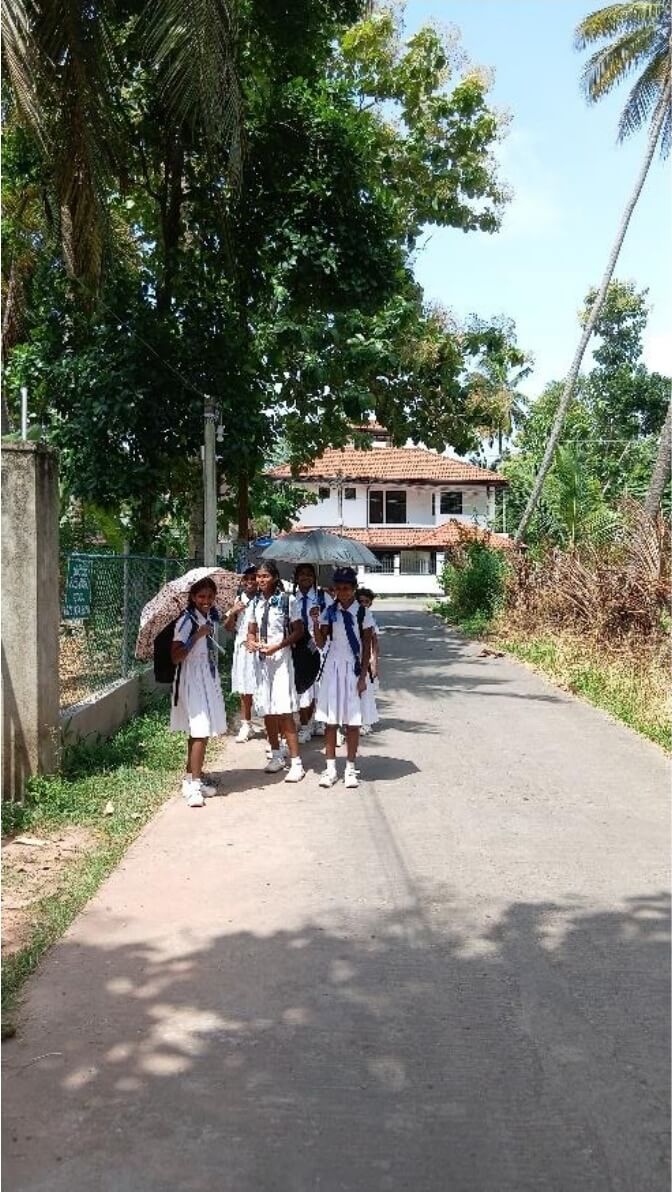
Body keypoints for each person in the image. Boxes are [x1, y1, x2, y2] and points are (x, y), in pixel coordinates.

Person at [312, 567, 374, 789]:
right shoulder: (330, 611)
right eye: (338, 588)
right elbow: (320, 643)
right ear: (334, 589)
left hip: (353, 668)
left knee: (352, 721)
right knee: (331, 721)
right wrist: (315, 623)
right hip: (332, 668)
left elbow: (366, 645)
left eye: (346, 588)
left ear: (354, 589)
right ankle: (330, 768)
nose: (342, 592)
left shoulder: (362, 613)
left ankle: (350, 767)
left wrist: (363, 676)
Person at [170, 576, 227, 808]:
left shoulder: (208, 617)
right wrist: (197, 635)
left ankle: (192, 778)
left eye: (210, 597)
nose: (206, 600)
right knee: (200, 730)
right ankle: (194, 786)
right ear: (193, 597)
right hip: (192, 678)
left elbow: (224, 621)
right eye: (201, 597)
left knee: (200, 730)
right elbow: (176, 656)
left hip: (207, 676)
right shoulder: (186, 621)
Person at [247, 560, 306, 782]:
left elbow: (298, 631)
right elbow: (251, 631)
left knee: (283, 710)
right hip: (262, 662)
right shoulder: (254, 604)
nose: (261, 580)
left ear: (274, 577)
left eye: (265, 576)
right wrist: (252, 642)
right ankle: (276, 754)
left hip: (281, 660)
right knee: (267, 710)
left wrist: (278, 646)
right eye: (258, 577)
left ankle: (296, 762)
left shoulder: (287, 600)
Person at [293, 563, 331, 743]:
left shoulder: (323, 598)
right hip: (298, 647)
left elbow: (333, 619)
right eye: (302, 574)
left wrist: (320, 615)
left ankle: (317, 720)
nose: (305, 577)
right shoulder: (290, 598)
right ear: (296, 578)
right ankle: (305, 724)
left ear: (315, 578)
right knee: (303, 685)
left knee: (318, 685)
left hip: (320, 645)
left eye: (309, 574)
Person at [224, 566, 260, 743]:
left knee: (262, 685)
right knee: (244, 686)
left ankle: (271, 726)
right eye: (247, 579)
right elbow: (229, 628)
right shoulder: (238, 599)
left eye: (254, 578)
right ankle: (246, 724)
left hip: (260, 647)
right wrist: (234, 612)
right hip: (242, 647)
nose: (250, 582)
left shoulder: (264, 599)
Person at [356, 587, 380, 734]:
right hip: (353, 657)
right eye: (361, 601)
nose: (364, 604)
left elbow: (374, 642)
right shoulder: (353, 615)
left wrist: (374, 661)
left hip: (366, 658)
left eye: (367, 601)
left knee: (366, 691)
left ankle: (366, 722)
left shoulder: (369, 617)